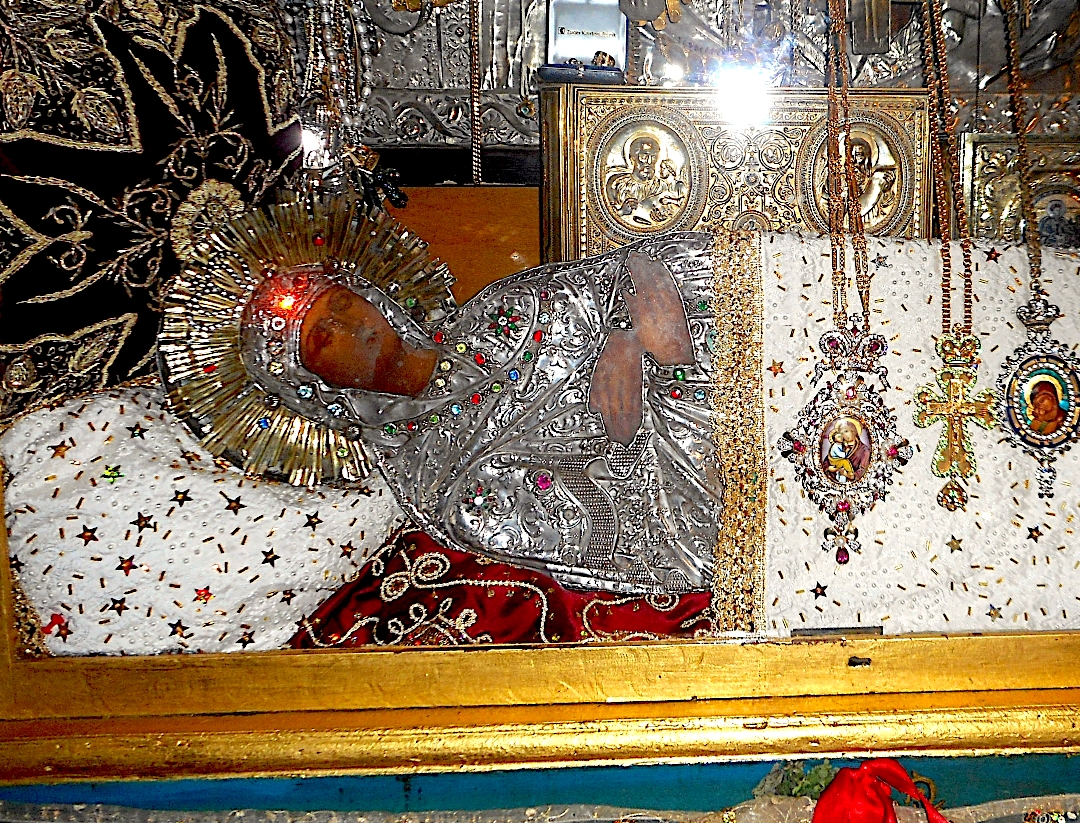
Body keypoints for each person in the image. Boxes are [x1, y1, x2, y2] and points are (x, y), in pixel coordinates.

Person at [161, 188, 722, 596]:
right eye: (322, 338)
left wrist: (625, 334)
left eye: (342, 305)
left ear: (373, 297)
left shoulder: (498, 309)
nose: (350, 327)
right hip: (705, 472)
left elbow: (638, 268)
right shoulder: (435, 481)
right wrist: (647, 414)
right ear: (314, 388)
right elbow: (618, 537)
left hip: (722, 355)